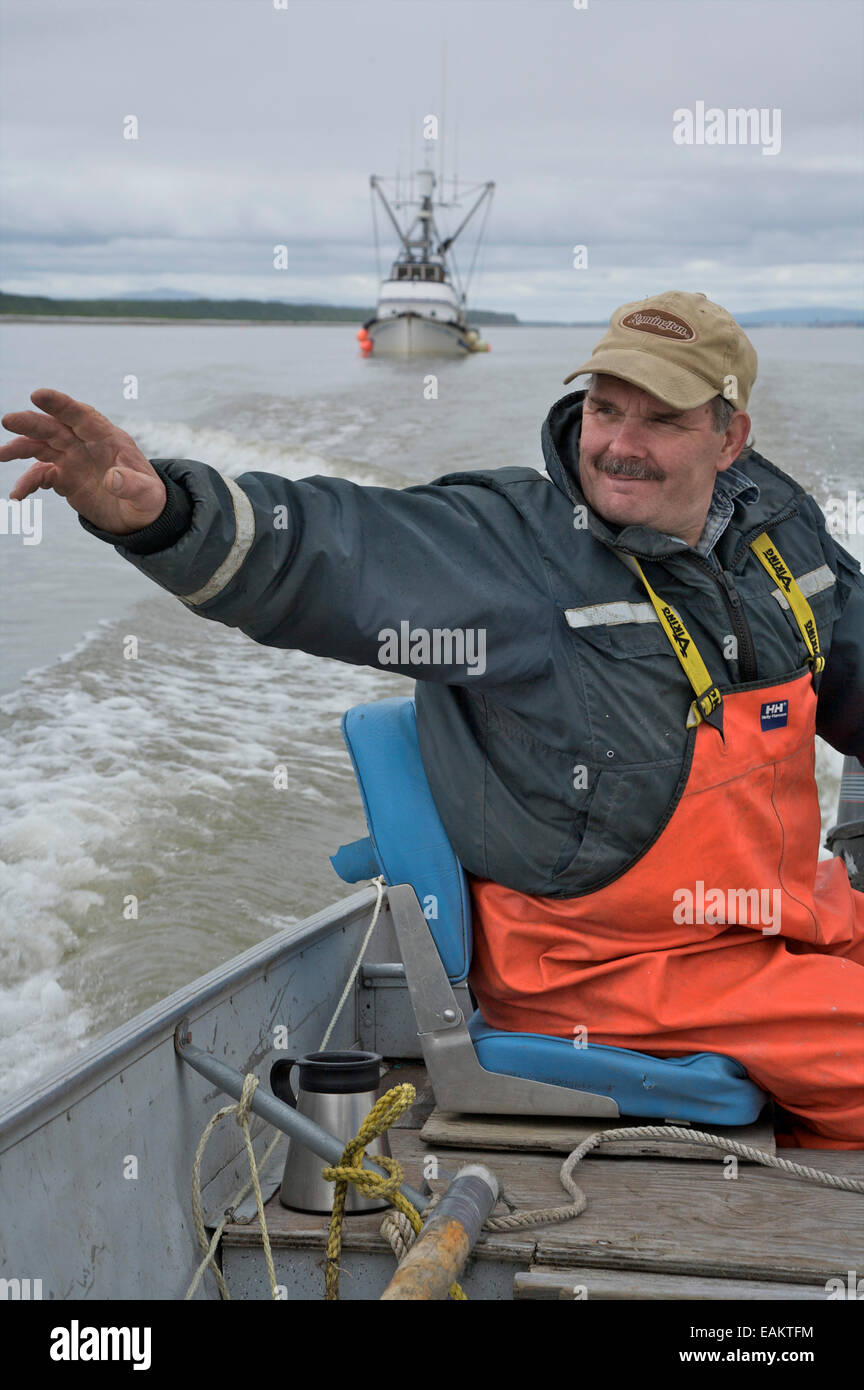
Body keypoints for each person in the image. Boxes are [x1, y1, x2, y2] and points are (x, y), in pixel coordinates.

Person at [3, 290, 863, 1148]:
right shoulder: (513, 549)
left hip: (782, 914)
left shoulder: (780, 542)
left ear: (730, 438)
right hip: (607, 965)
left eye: (662, 420)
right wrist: (167, 517)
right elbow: (332, 552)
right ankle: (801, 1216)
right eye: (604, 408)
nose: (618, 446)